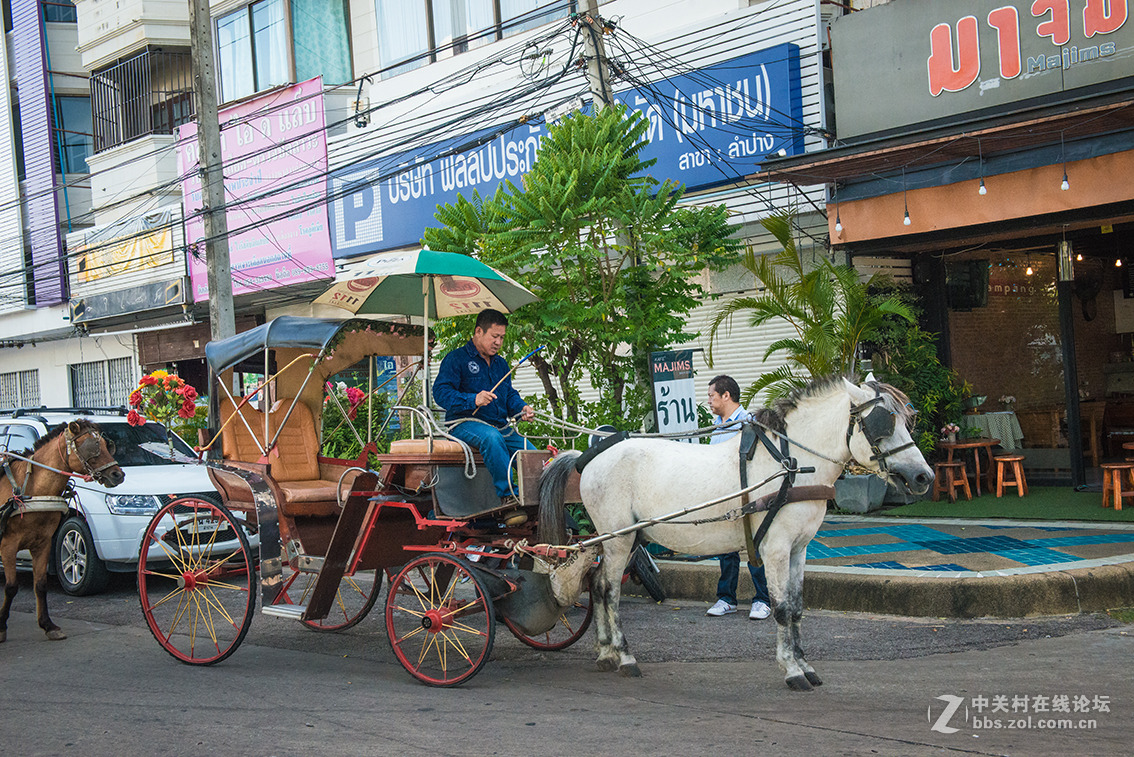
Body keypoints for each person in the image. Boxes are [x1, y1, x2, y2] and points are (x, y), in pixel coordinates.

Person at [433, 309, 535, 509]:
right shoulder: (456, 359)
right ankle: (508, 496)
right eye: (494, 336)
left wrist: (522, 408)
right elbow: (440, 393)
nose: (498, 342)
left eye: (502, 338)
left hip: (500, 425)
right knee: (491, 438)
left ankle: (537, 498)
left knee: (531, 454)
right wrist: (473, 400)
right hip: (463, 424)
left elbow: (509, 395)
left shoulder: (501, 364)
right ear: (478, 331)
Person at [704, 374, 772, 620]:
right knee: (726, 548)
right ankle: (726, 599)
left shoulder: (749, 423)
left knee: (754, 547)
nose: (708, 401)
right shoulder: (719, 426)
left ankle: (763, 600)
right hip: (724, 495)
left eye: (711, 396)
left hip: (749, 497)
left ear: (726, 395)